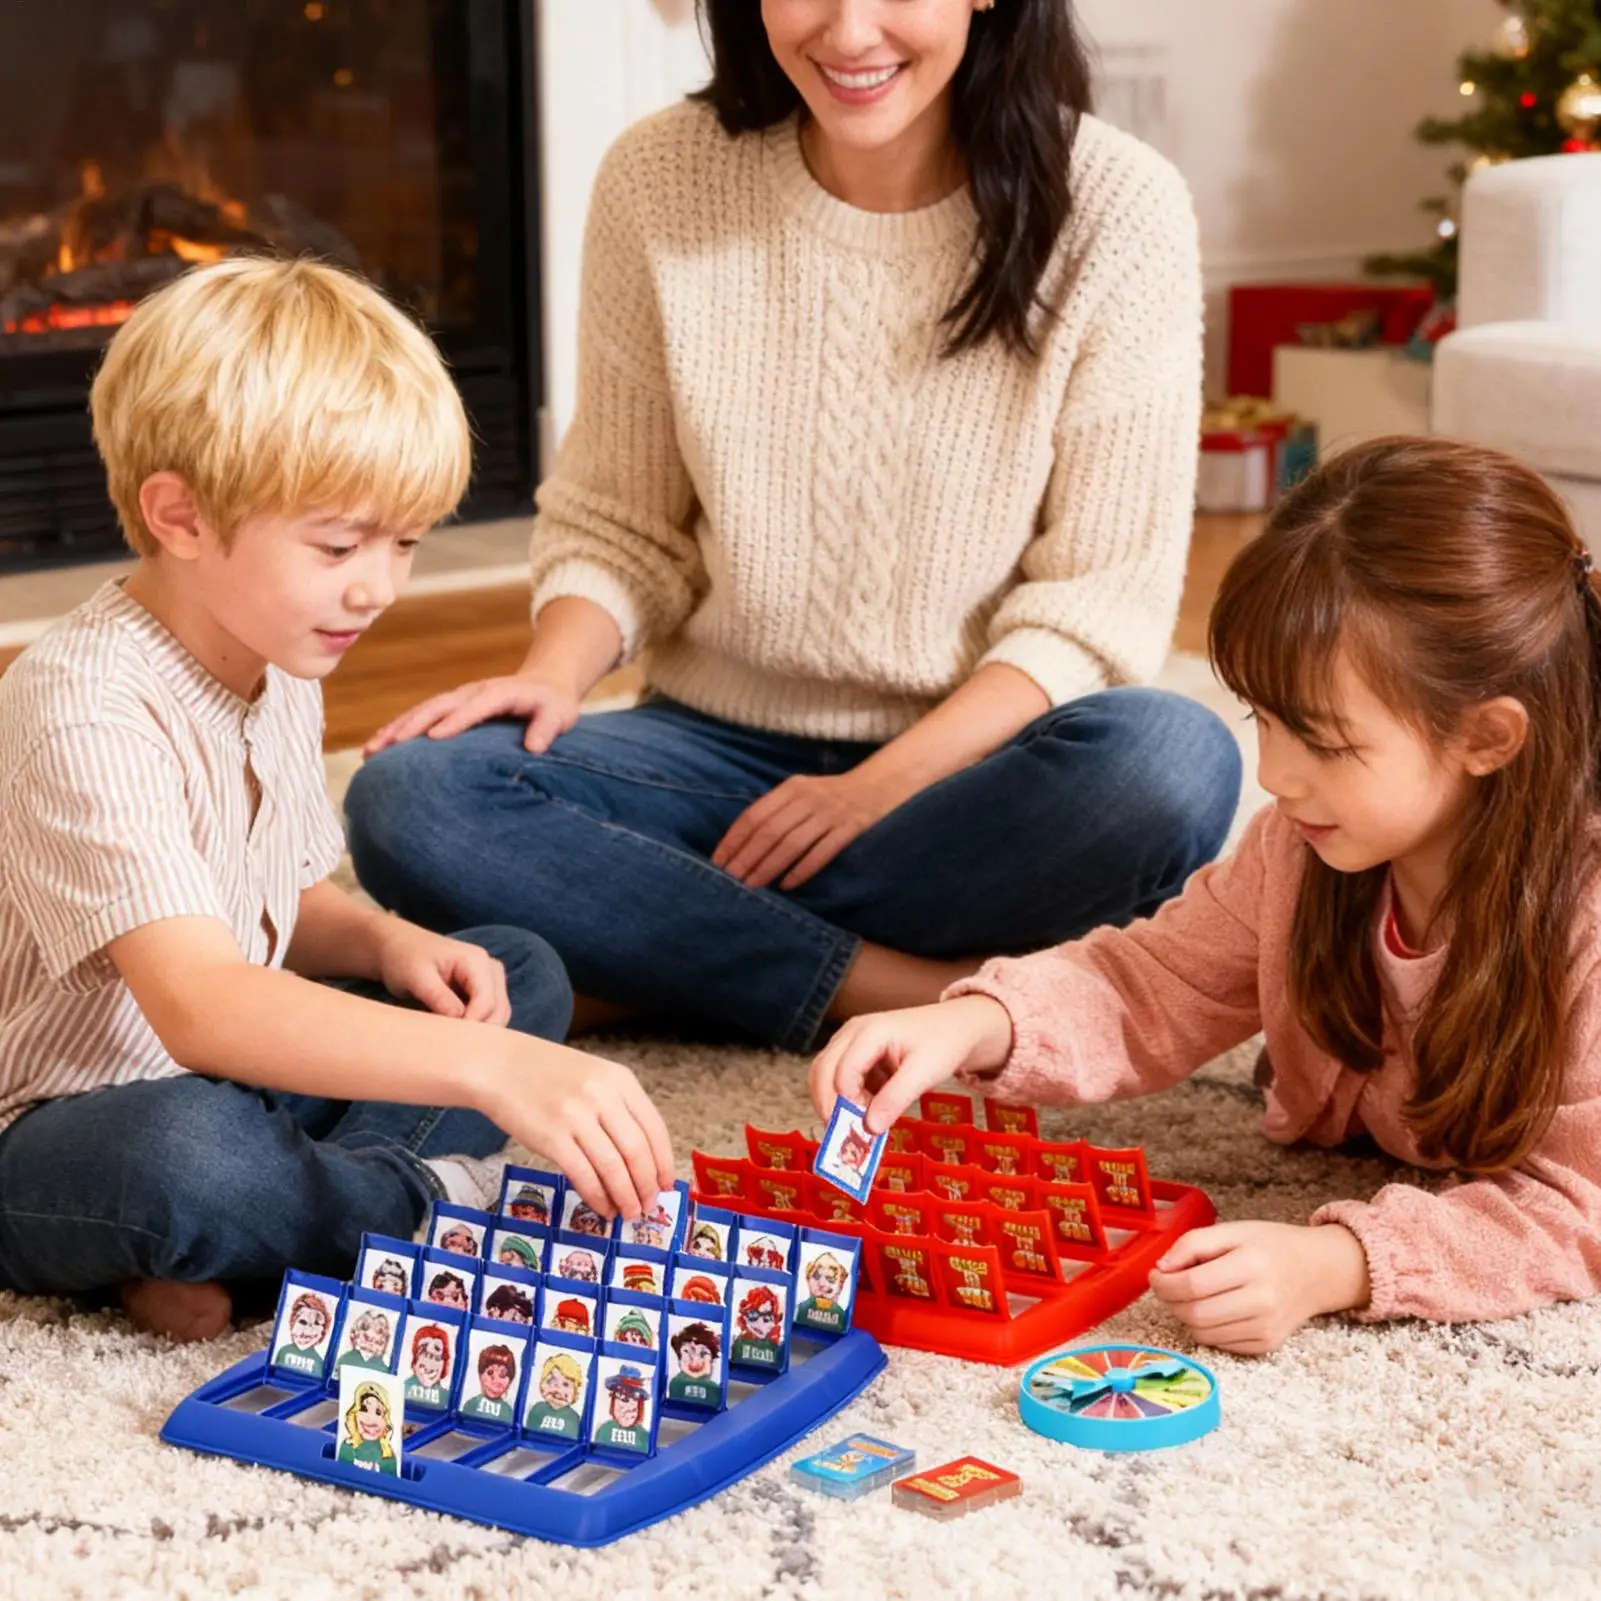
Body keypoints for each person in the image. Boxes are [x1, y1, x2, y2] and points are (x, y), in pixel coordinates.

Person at [344, 0, 1240, 1053]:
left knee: (1170, 764)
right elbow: (620, 520)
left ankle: (650, 957)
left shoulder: (1116, 206)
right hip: (707, 750)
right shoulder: (660, 176)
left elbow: (1098, 601)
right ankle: (889, 983)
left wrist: (872, 791)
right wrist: (552, 674)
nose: (848, 32)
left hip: (971, 765)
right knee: (414, 796)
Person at [0, 257, 675, 1344]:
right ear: (180, 516)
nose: (380, 587)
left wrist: (384, 938)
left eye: (404, 542)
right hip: (61, 1127)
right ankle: (416, 1207)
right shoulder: (84, 704)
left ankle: (271, 1231)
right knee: (188, 1155)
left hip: (245, 1078)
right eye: (338, 545)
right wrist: (497, 1071)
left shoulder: (277, 653)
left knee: (512, 969)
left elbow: (276, 896)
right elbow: (204, 1001)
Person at [811, 437, 1601, 1353]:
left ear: (1488, 738)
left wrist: (1335, 1262)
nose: (1274, 776)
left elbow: (1578, 1209)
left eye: (1325, 742)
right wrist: (972, 1023)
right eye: (1259, 720)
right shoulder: (1302, 852)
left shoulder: (1581, 916)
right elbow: (1152, 981)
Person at [337, 1381, 398, 1474]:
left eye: (378, 1412)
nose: (370, 1419)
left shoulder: (387, 1455)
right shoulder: (347, 1447)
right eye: (364, 1409)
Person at [524, 1351, 585, 1440]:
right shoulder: (537, 1409)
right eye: (552, 1382)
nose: (559, 1390)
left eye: (566, 1385)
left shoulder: (575, 1418)